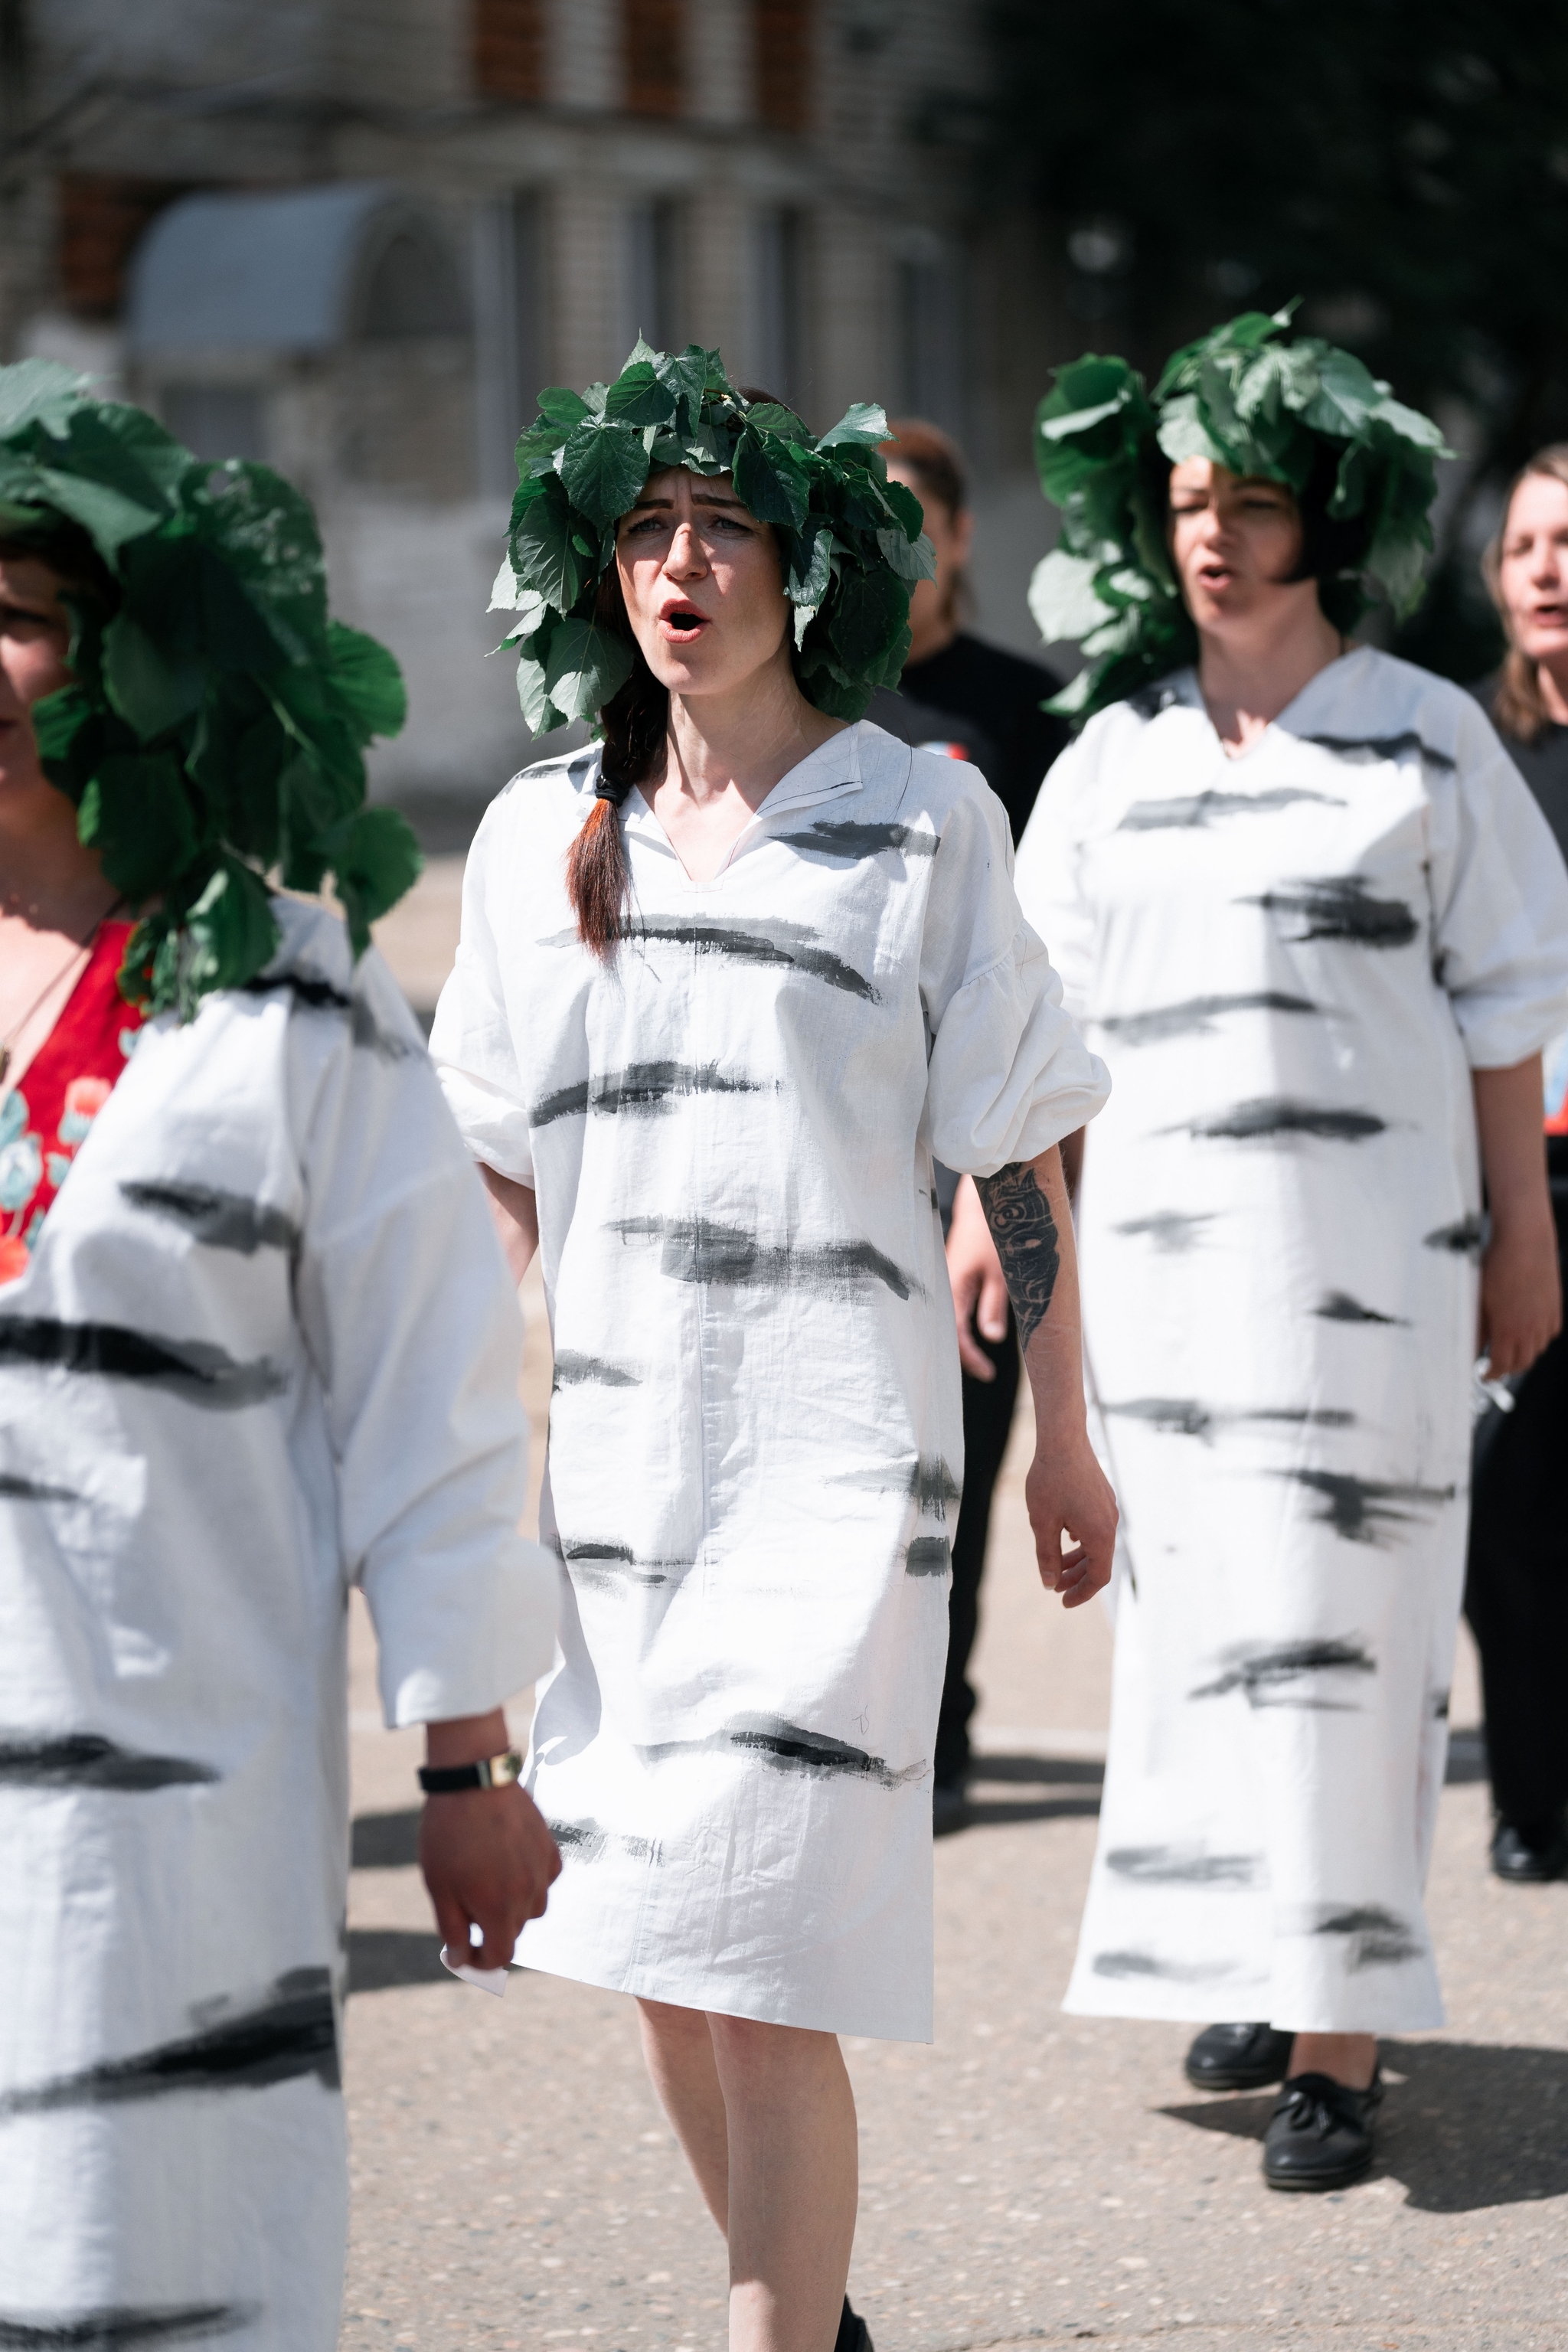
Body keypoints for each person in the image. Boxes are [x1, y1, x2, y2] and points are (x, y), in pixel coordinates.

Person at [433, 343, 1116, 2351]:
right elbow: (489, 1200)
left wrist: (1063, 1434)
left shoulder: (920, 823)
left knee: (767, 1964)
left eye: (723, 523)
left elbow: (1015, 1155)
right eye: (644, 527)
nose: (681, 563)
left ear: (801, 564)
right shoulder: (529, 840)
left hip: (835, 1496)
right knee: (661, 1949)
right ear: (598, 571)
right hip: (624, 1506)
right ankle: (814, 2316)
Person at [0, 364, 561, 2349]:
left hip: (179, 1806)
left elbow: (431, 1386)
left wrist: (470, 1755)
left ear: (130, 652)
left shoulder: (286, 992)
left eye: (23, 608)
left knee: (156, 2254)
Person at [1014, 309, 1568, 2193]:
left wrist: (1520, 1240)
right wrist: (1003, 1233)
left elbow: (1506, 1010)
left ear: (1323, 521)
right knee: (1207, 1639)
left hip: (1379, 1284)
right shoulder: (1106, 763)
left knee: (1354, 1635)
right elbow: (1035, 1054)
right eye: (1184, 500)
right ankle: (1256, 1954)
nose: (1213, 535)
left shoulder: (1423, 742)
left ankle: (1339, 2033)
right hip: (1166, 1294)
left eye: (1251, 500)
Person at [874, 419, 1073, 1825]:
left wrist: (1001, 1176)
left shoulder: (1030, 711)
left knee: (974, 1436)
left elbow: (1058, 955)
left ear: (955, 536)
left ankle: (939, 1731)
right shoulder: (815, 709)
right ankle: (880, 1725)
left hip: (994, 1142)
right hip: (855, 1140)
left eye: (910, 520)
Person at [1464, 446, 1568, 1882]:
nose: (1546, 567)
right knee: (1512, 1499)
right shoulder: (1468, 759)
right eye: (1526, 545)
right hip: (1517, 1178)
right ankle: (1533, 1790)